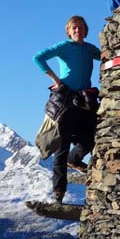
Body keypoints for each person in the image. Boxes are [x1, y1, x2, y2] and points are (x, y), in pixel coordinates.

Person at [33, 15, 101, 203]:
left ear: (86, 31)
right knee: (61, 146)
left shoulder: (89, 49)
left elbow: (105, 56)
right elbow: (38, 58)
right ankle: (58, 194)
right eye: (74, 29)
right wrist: (55, 80)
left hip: (85, 99)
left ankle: (75, 158)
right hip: (65, 100)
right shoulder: (64, 47)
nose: (77, 31)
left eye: (80, 28)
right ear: (69, 32)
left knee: (91, 139)